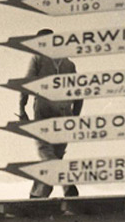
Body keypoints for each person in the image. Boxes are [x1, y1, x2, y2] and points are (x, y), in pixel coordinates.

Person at [18, 29, 84, 198]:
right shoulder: (69, 64)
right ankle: (39, 193)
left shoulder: (37, 58)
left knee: (45, 149)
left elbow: (27, 83)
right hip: (65, 110)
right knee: (56, 153)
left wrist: (22, 108)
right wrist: (75, 117)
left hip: (44, 106)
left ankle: (67, 183)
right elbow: (79, 93)